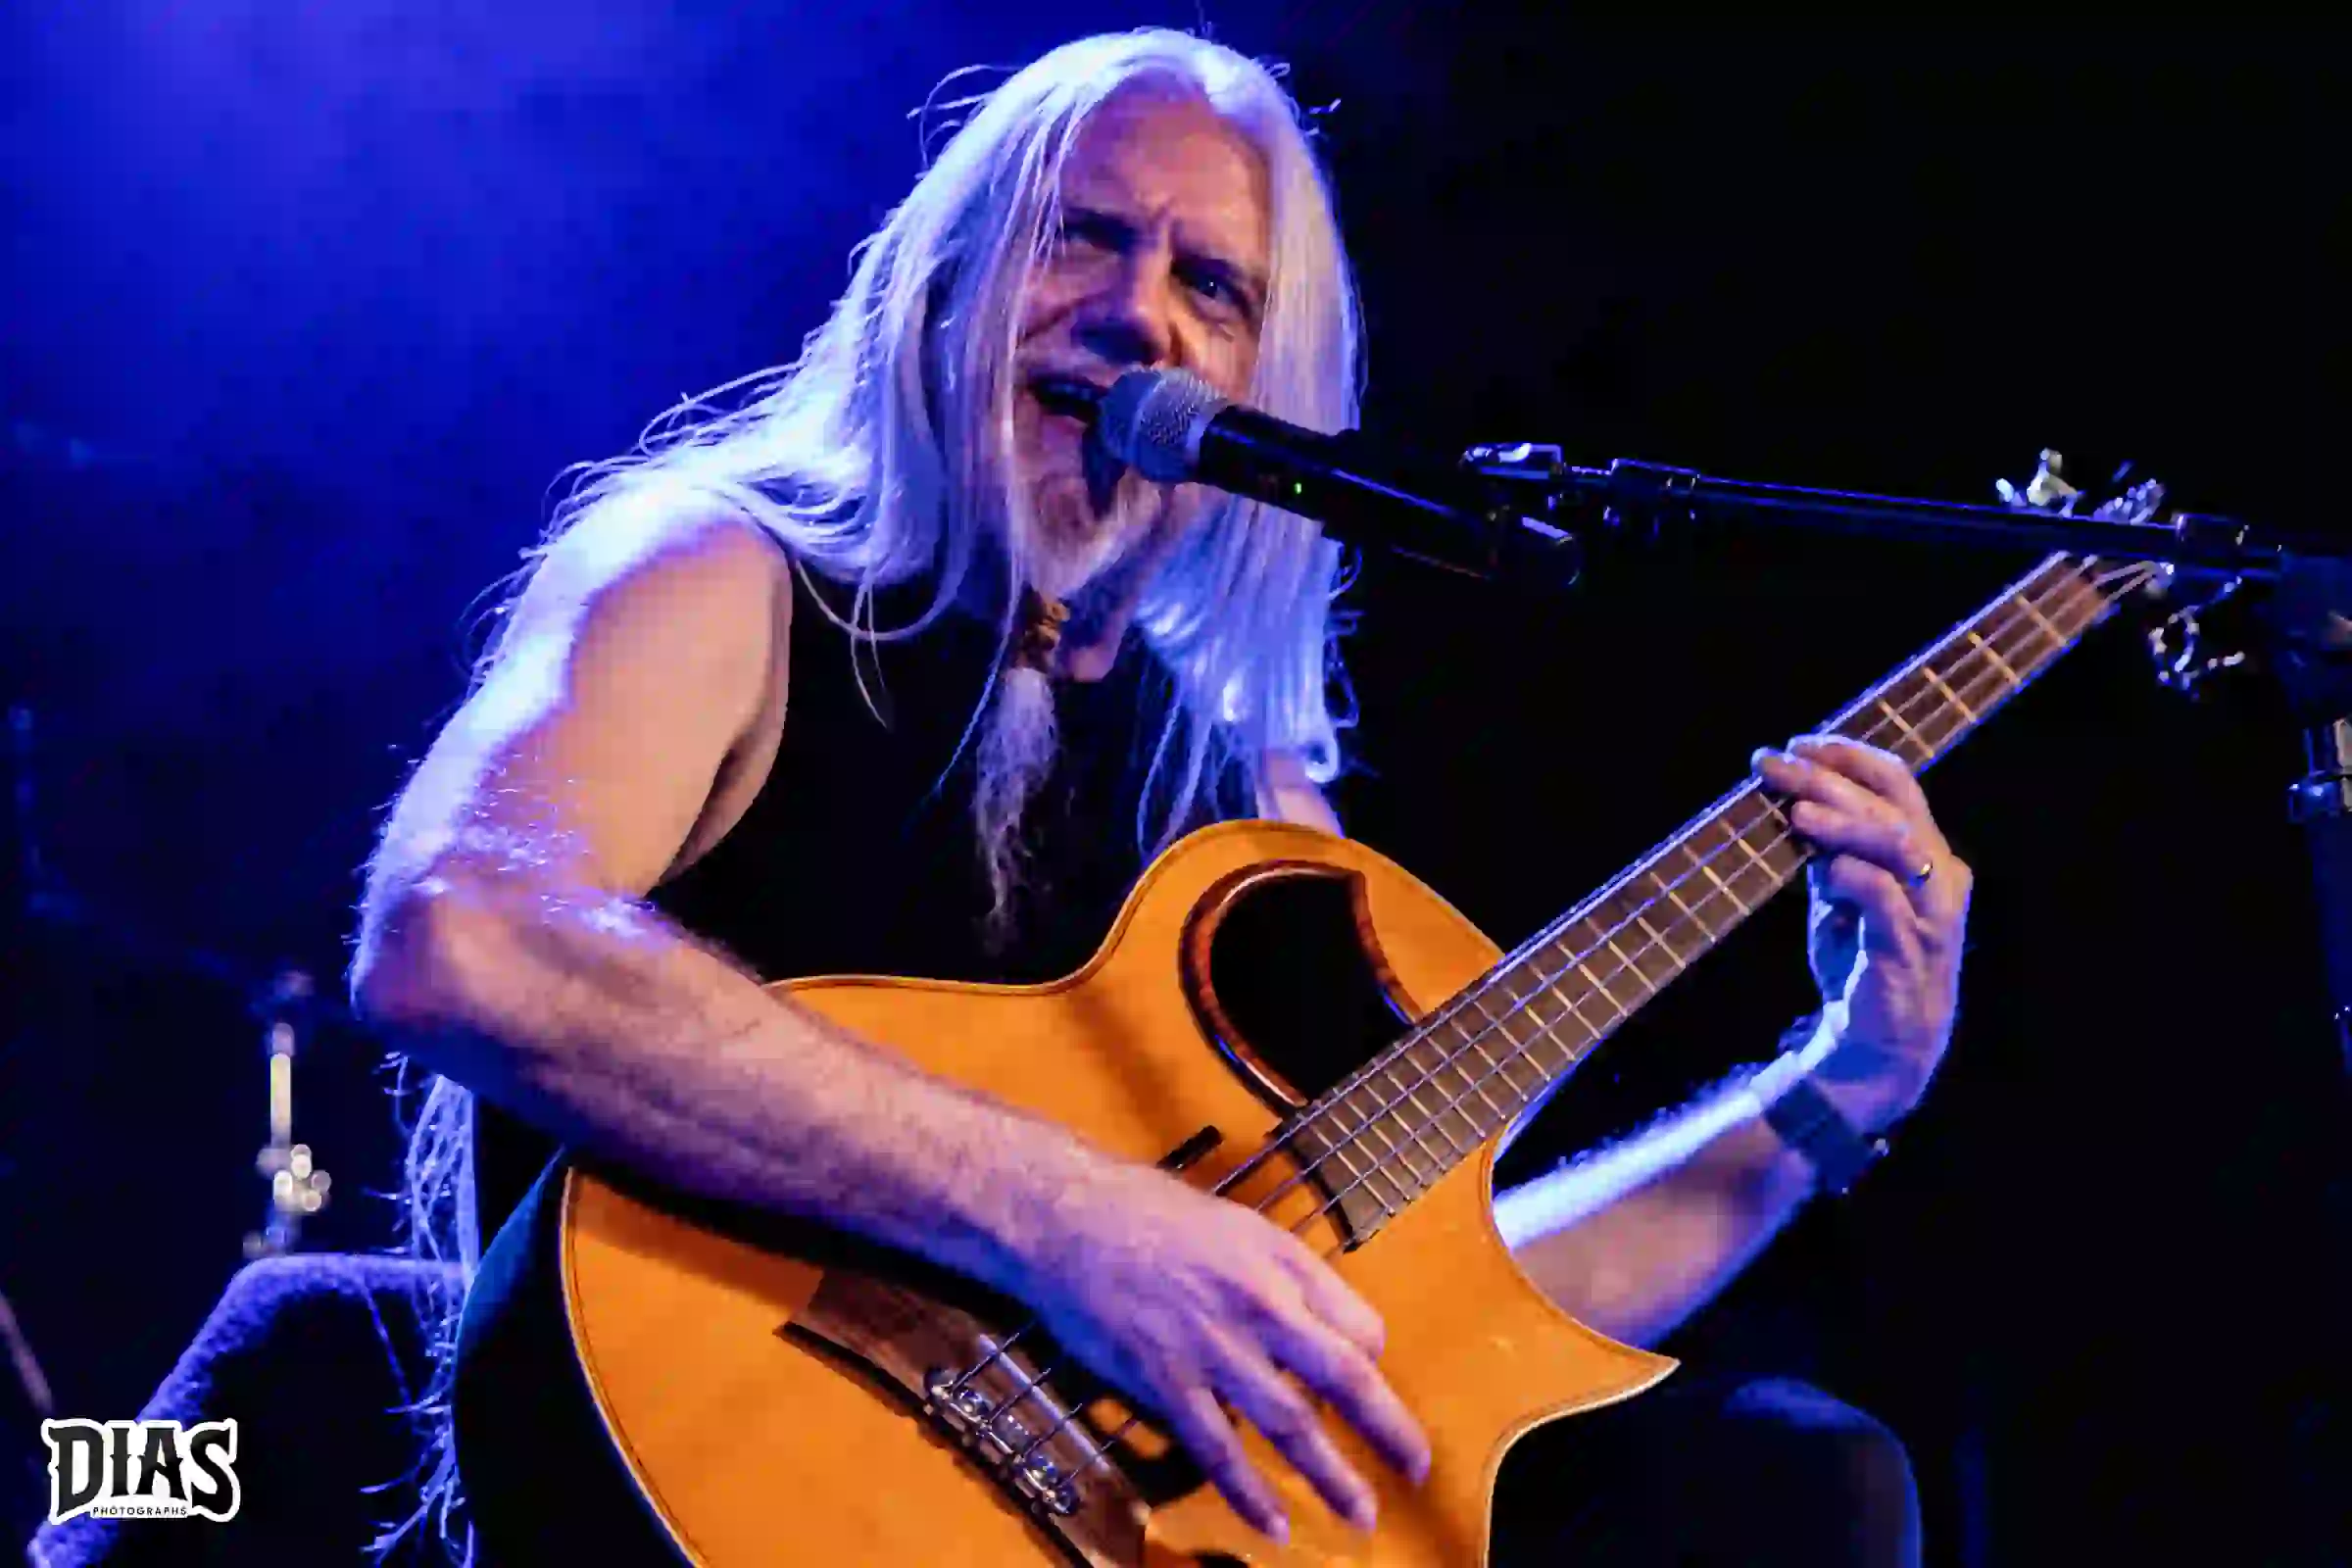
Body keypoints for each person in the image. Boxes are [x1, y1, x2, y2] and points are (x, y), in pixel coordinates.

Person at [34, 28, 1968, 1566]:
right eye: (1085, 237)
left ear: (1274, 385)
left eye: (1214, 285)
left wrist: (1834, 1091)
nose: (1143, 315)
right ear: (951, 283)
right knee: (272, 1371)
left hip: (1034, 1520)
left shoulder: (1248, 791)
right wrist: (1074, 1220)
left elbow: (1404, 1327)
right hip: (648, 1434)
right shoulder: (725, 575)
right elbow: (463, 932)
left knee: (1798, 1473)